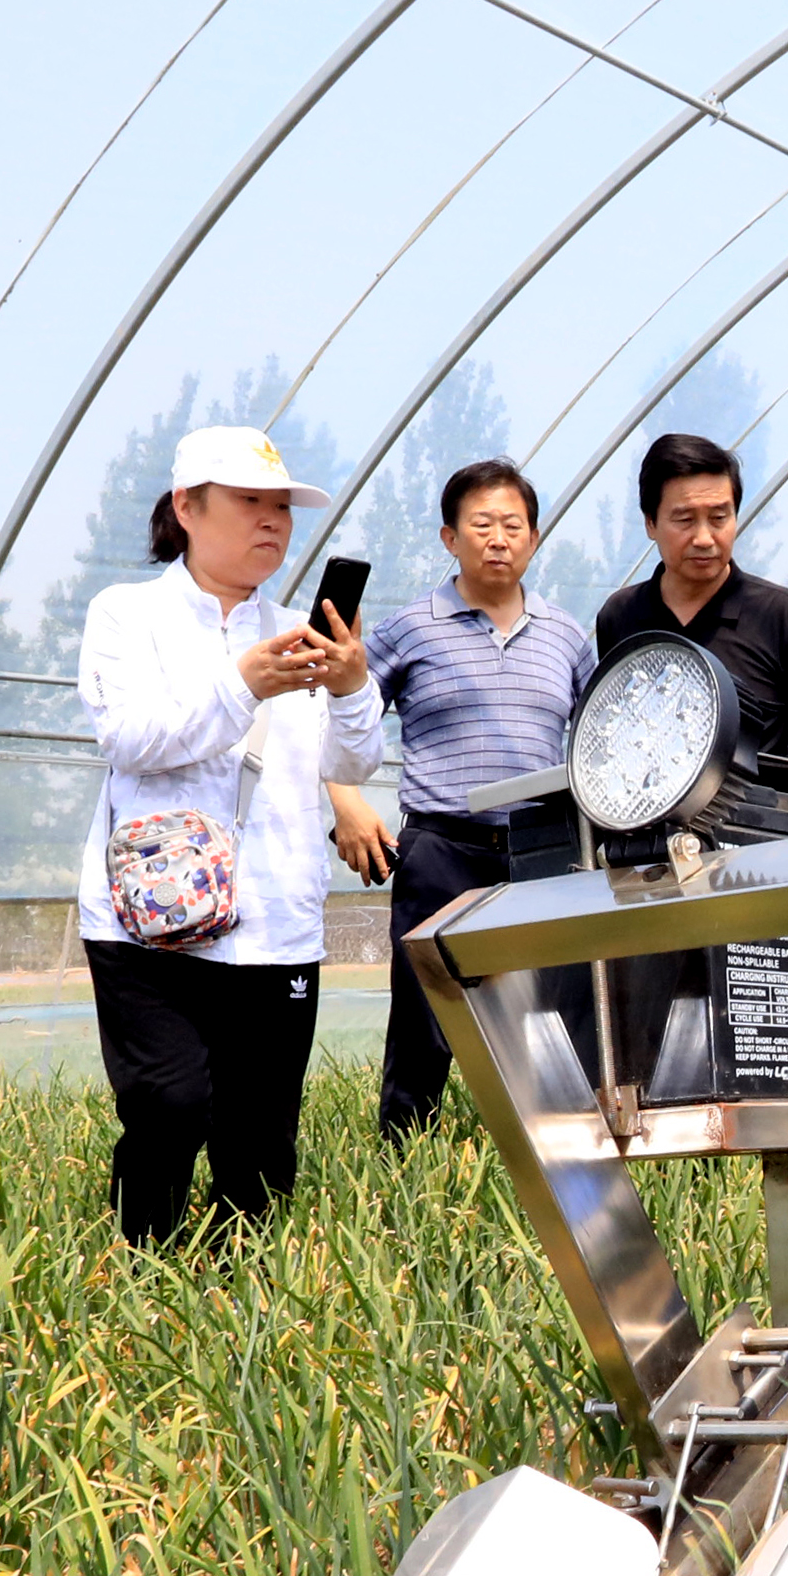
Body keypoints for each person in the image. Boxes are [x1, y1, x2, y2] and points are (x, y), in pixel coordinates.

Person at [76, 425, 385, 1244]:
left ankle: (238, 1287)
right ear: (187, 507)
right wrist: (241, 684)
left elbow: (350, 761)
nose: (272, 521)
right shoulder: (126, 615)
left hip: (274, 922)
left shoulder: (295, 631)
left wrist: (352, 688)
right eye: (250, 501)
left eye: (282, 507)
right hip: (146, 921)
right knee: (168, 1105)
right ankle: (141, 1266)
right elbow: (129, 737)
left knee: (259, 1145)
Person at [326, 460, 594, 1138]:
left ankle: (554, 1148)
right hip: (441, 848)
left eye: (513, 525)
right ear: (450, 537)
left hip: (541, 853)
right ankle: (405, 1149)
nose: (498, 539)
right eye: (482, 524)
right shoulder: (411, 628)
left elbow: (601, 735)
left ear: (534, 538)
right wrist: (345, 800)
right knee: (427, 1013)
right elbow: (339, 709)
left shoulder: (566, 636)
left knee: (549, 1010)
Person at [595, 432, 788, 766]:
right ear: (650, 523)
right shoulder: (620, 616)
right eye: (685, 520)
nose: (704, 538)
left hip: (752, 801)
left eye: (719, 518)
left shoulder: (781, 614)